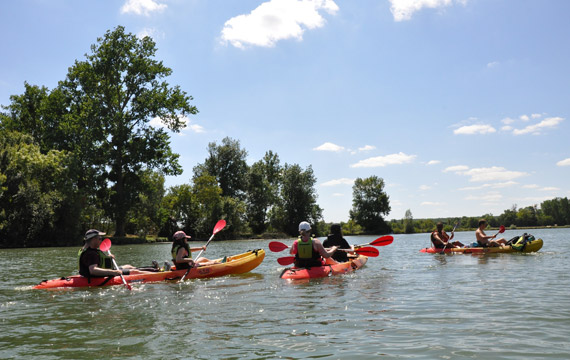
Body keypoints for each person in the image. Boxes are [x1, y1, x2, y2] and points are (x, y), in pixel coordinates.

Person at [79, 229, 151, 278]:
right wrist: (113, 272)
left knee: (128, 266)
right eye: (100, 238)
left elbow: (97, 262)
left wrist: (108, 258)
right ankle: (158, 275)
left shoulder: (86, 250)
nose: (101, 241)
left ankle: (152, 269)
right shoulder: (91, 254)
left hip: (104, 272)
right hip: (97, 277)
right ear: (93, 239)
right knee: (134, 272)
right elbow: (93, 270)